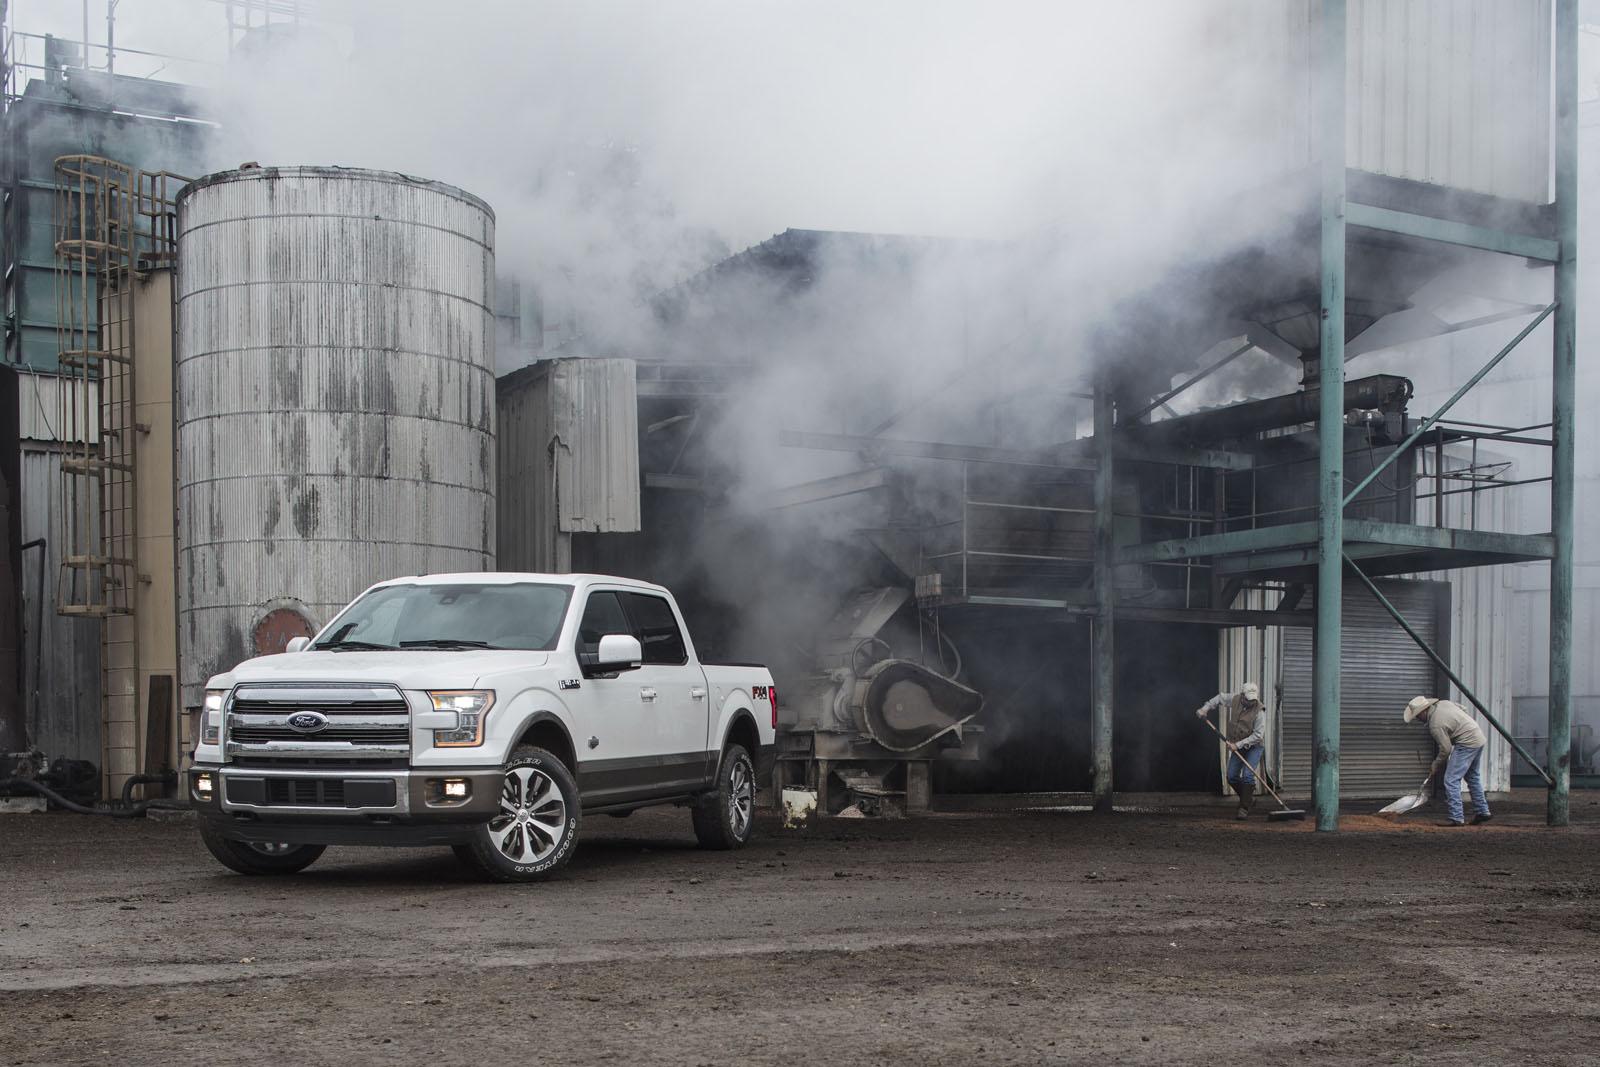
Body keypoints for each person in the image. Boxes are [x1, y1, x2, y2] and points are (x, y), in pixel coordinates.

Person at [1404, 696, 1491, 827]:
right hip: (1478, 737)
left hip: (1466, 744)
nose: (1417, 719)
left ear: (1423, 711)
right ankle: (1483, 812)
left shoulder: (1435, 725)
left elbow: (1446, 749)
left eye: (1417, 716)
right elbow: (1463, 708)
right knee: (1472, 777)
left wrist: (1436, 763)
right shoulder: (1444, 703)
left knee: (1451, 779)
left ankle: (1456, 818)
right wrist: (1460, 726)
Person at [1196, 682, 1266, 819]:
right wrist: (1205, 708)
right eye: (1247, 699)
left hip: (1253, 746)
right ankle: (1248, 799)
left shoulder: (1259, 710)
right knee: (1231, 776)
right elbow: (1220, 698)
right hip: (1237, 744)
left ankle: (1244, 808)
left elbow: (1258, 735)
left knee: (1247, 775)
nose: (1250, 702)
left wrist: (1238, 745)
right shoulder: (1235, 699)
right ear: (1242, 696)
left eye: (1253, 700)